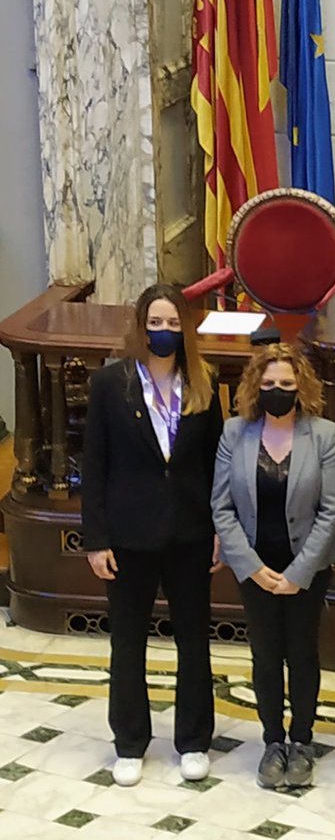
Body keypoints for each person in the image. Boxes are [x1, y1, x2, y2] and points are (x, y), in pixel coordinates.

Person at [81, 284, 224, 787]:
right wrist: (95, 539)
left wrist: (218, 530)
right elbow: (93, 465)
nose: (163, 332)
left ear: (185, 328)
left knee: (193, 641)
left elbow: (214, 466)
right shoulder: (110, 384)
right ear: (140, 327)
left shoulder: (203, 382)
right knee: (127, 641)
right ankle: (130, 743)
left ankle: (193, 741)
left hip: (189, 533)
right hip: (127, 537)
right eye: (155, 323)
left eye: (172, 324)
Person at [211, 343, 335, 789]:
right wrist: (250, 566)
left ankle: (302, 742)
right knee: (266, 656)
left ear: (301, 386)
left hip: (306, 566)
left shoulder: (324, 434)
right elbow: (222, 507)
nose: (277, 391)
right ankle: (272, 741)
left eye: (286, 384)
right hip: (254, 566)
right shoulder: (235, 433)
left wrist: (299, 573)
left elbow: (331, 510)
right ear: (255, 386)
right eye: (268, 384)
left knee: (302, 654)